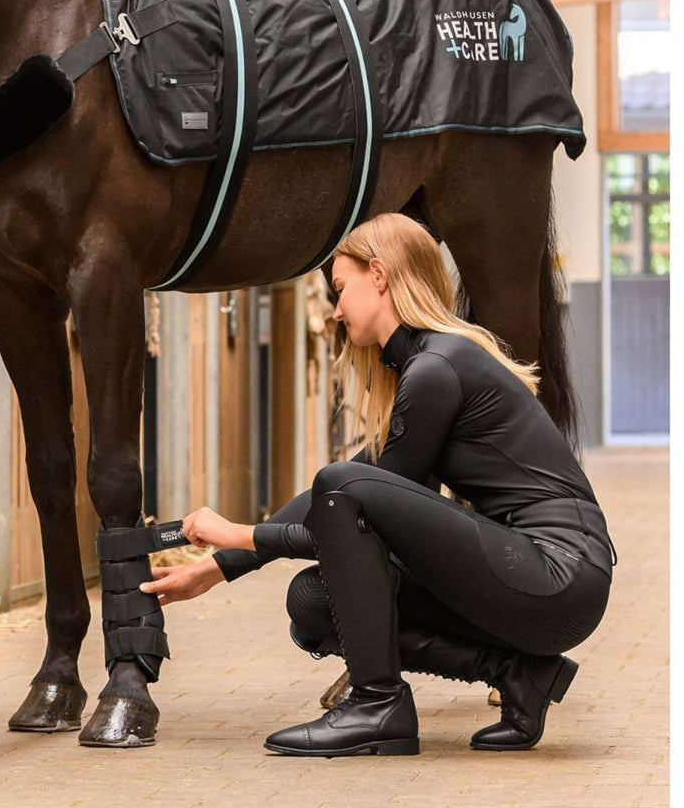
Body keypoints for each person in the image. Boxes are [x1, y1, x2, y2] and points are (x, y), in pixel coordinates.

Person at [140, 212, 616, 757]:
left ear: (380, 276)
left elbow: (348, 503)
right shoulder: (429, 366)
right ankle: (516, 674)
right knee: (315, 600)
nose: (337, 310)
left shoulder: (438, 367)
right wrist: (214, 569)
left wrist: (241, 535)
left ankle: (378, 702)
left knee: (342, 483)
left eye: (341, 290)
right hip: (533, 585)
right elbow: (342, 505)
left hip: (558, 574)